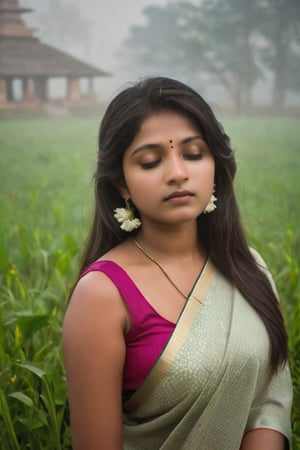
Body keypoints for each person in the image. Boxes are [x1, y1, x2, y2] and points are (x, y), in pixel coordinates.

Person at [62, 76, 293, 450]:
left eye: (193, 154)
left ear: (215, 165)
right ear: (122, 184)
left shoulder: (248, 267)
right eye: (151, 161)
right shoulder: (102, 295)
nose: (177, 173)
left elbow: (269, 400)